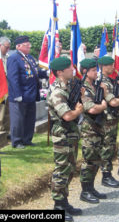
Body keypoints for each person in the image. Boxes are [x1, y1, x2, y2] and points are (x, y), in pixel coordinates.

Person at [47, 57, 83, 222]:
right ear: (60, 72)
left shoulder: (68, 87)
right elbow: (67, 115)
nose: (73, 69)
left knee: (69, 168)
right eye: (69, 67)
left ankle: (64, 201)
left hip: (71, 134)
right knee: (62, 170)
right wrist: (78, 111)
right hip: (62, 135)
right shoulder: (57, 91)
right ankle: (58, 205)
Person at [7, 35, 48, 149]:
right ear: (19, 46)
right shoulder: (13, 58)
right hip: (20, 94)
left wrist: (46, 73)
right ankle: (17, 141)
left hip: (31, 93)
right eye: (26, 45)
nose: (29, 46)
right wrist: (17, 94)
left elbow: (35, 72)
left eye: (29, 44)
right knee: (18, 119)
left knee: (30, 118)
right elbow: (12, 78)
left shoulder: (29, 57)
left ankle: (27, 139)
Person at [79, 58, 108, 204]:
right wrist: (103, 105)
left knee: (96, 160)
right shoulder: (82, 88)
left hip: (98, 127)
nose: (96, 73)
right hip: (89, 129)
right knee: (89, 160)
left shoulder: (95, 86)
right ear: (85, 72)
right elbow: (91, 108)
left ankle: (91, 188)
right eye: (93, 70)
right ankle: (85, 191)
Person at [99, 56, 119, 188]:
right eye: (110, 65)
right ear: (103, 67)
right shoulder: (102, 81)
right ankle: (106, 175)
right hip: (107, 119)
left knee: (111, 146)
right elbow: (113, 102)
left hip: (112, 118)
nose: (113, 67)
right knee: (107, 147)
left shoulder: (110, 80)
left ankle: (108, 174)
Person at [0, 36, 11, 147]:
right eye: (6, 47)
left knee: (7, 112)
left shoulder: (7, 57)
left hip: (7, 87)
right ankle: (0, 133)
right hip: (0, 88)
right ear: (0, 45)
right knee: (1, 113)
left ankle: (6, 133)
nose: (8, 49)